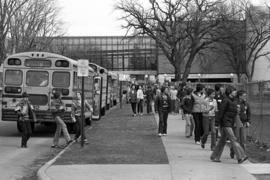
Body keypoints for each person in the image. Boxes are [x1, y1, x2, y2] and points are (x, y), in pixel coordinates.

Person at [210, 86, 248, 164]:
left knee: (222, 141)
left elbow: (235, 113)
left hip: (229, 123)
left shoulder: (234, 101)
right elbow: (221, 113)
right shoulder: (225, 100)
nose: (235, 92)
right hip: (225, 123)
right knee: (233, 139)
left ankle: (214, 156)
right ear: (230, 92)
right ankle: (241, 157)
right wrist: (217, 124)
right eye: (234, 91)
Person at [230, 90, 251, 158]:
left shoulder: (246, 104)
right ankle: (233, 150)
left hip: (244, 123)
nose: (245, 97)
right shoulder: (235, 103)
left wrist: (248, 121)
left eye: (246, 95)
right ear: (240, 96)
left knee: (243, 139)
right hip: (236, 123)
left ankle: (243, 155)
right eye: (244, 95)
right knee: (236, 138)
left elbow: (249, 113)